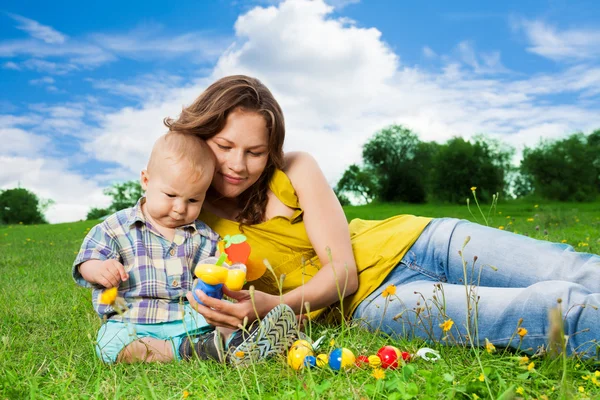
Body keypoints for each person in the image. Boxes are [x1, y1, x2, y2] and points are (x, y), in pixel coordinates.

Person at [167, 75, 600, 359]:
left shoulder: (296, 167)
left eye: (255, 152)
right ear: (202, 134)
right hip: (378, 303)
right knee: (551, 311)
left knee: (574, 267)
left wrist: (275, 304)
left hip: (423, 240)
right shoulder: (186, 216)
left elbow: (342, 272)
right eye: (224, 146)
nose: (238, 164)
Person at [73, 131, 298, 364]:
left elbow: (214, 275)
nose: (180, 208)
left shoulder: (203, 236)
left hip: (188, 317)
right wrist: (99, 268)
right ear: (146, 181)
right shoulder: (115, 227)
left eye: (193, 200)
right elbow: (86, 262)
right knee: (109, 346)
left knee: (223, 323)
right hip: (130, 319)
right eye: (170, 195)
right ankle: (192, 351)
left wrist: (226, 269)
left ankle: (248, 339)